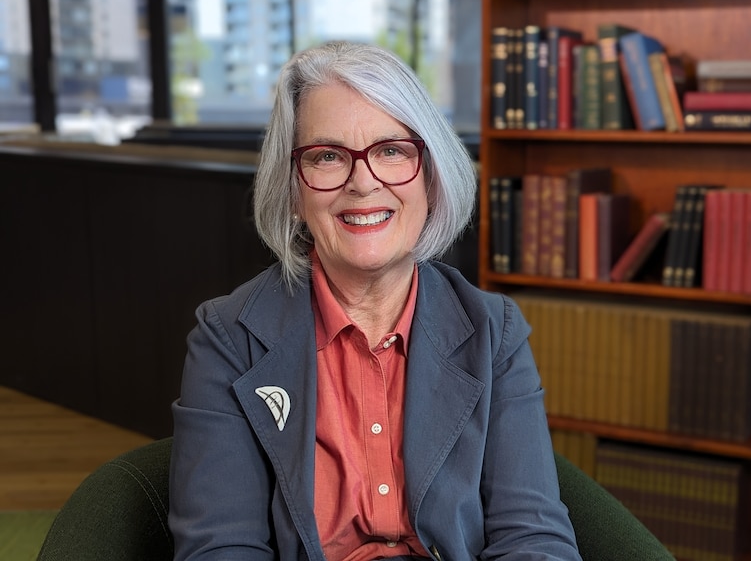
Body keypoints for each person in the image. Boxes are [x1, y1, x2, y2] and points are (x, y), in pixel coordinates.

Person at [169, 40, 581, 561]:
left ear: (430, 177)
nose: (363, 183)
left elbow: (533, 538)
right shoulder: (228, 339)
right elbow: (220, 549)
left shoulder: (493, 331)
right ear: (294, 190)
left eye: (391, 151)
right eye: (327, 156)